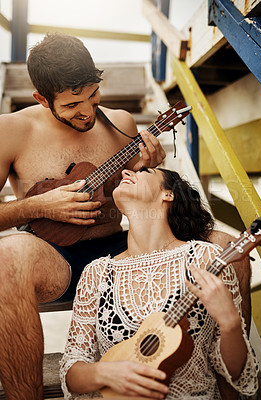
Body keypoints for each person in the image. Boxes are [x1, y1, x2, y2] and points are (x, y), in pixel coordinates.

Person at [0, 32, 166, 400]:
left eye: (93, 95)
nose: (88, 111)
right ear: (42, 99)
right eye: (74, 103)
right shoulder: (10, 131)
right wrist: (36, 207)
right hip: (56, 260)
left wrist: (150, 171)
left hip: (121, 255)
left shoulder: (120, 122)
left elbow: (145, 203)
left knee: (217, 243)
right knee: (7, 257)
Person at [60, 167, 259, 400]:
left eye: (145, 171)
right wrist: (103, 372)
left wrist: (231, 324)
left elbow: (235, 373)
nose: (125, 171)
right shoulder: (97, 273)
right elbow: (72, 369)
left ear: (168, 194)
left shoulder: (205, 258)